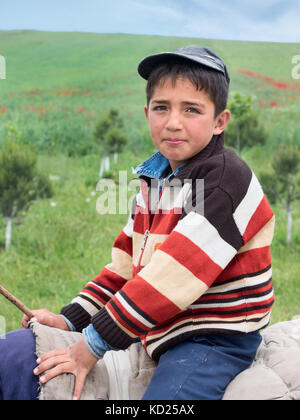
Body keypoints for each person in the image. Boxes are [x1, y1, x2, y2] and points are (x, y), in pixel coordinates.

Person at [0, 45, 275, 400]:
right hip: (164, 325)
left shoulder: (224, 181)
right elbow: (124, 270)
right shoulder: (155, 180)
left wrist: (92, 344)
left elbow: (170, 277)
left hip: (214, 336)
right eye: (162, 108)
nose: (173, 122)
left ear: (220, 121)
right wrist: (70, 320)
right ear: (147, 113)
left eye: (191, 109)